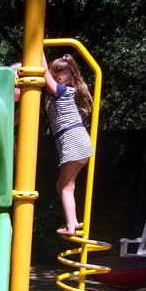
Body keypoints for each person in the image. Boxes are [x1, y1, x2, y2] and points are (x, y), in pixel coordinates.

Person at [42, 52, 94, 236]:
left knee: (66, 187)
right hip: (78, 144)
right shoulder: (63, 94)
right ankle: (73, 221)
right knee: (61, 185)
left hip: (74, 143)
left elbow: (46, 76)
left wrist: (37, 49)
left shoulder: (63, 93)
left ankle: (71, 225)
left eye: (53, 78)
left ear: (61, 79)